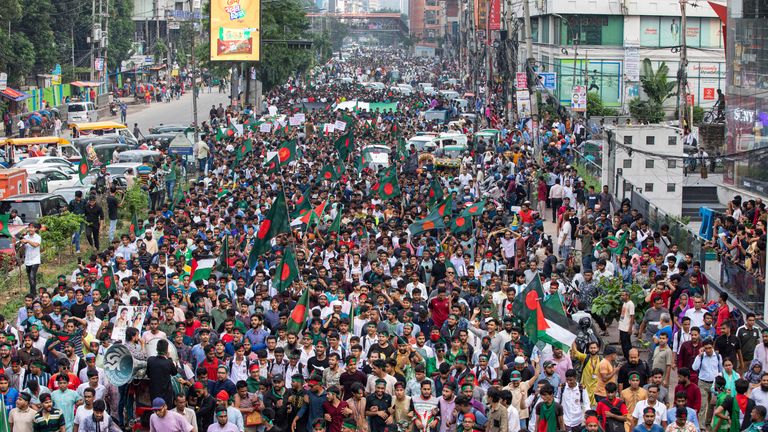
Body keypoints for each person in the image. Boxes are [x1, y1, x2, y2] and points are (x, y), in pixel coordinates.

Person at [146, 339, 178, 406]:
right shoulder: (169, 362)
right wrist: (169, 358)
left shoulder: (150, 360)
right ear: (166, 350)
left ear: (156, 349)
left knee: (155, 410)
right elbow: (174, 372)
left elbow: (148, 374)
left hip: (154, 391)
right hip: (166, 393)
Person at [17, 223, 41, 296]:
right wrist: (22, 244)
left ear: (35, 229)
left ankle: (33, 294)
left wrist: (27, 241)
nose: (30, 229)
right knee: (30, 279)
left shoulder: (37, 237)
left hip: (35, 260)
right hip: (27, 261)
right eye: (29, 227)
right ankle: (32, 293)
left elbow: (35, 245)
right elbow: (21, 250)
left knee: (32, 276)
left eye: (32, 227)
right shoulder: (25, 237)